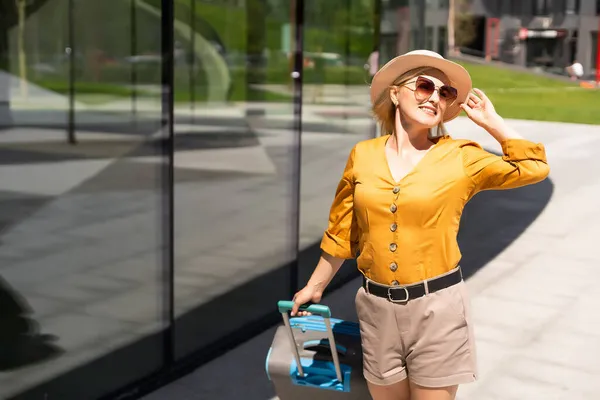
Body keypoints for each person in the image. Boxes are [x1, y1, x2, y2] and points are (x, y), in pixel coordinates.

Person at [290, 50, 550, 400]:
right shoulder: (363, 155)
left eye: (445, 93)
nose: (435, 98)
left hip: (437, 310)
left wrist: (492, 122)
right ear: (396, 93)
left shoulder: (462, 156)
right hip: (376, 308)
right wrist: (315, 286)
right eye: (425, 86)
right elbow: (342, 230)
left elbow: (533, 166)